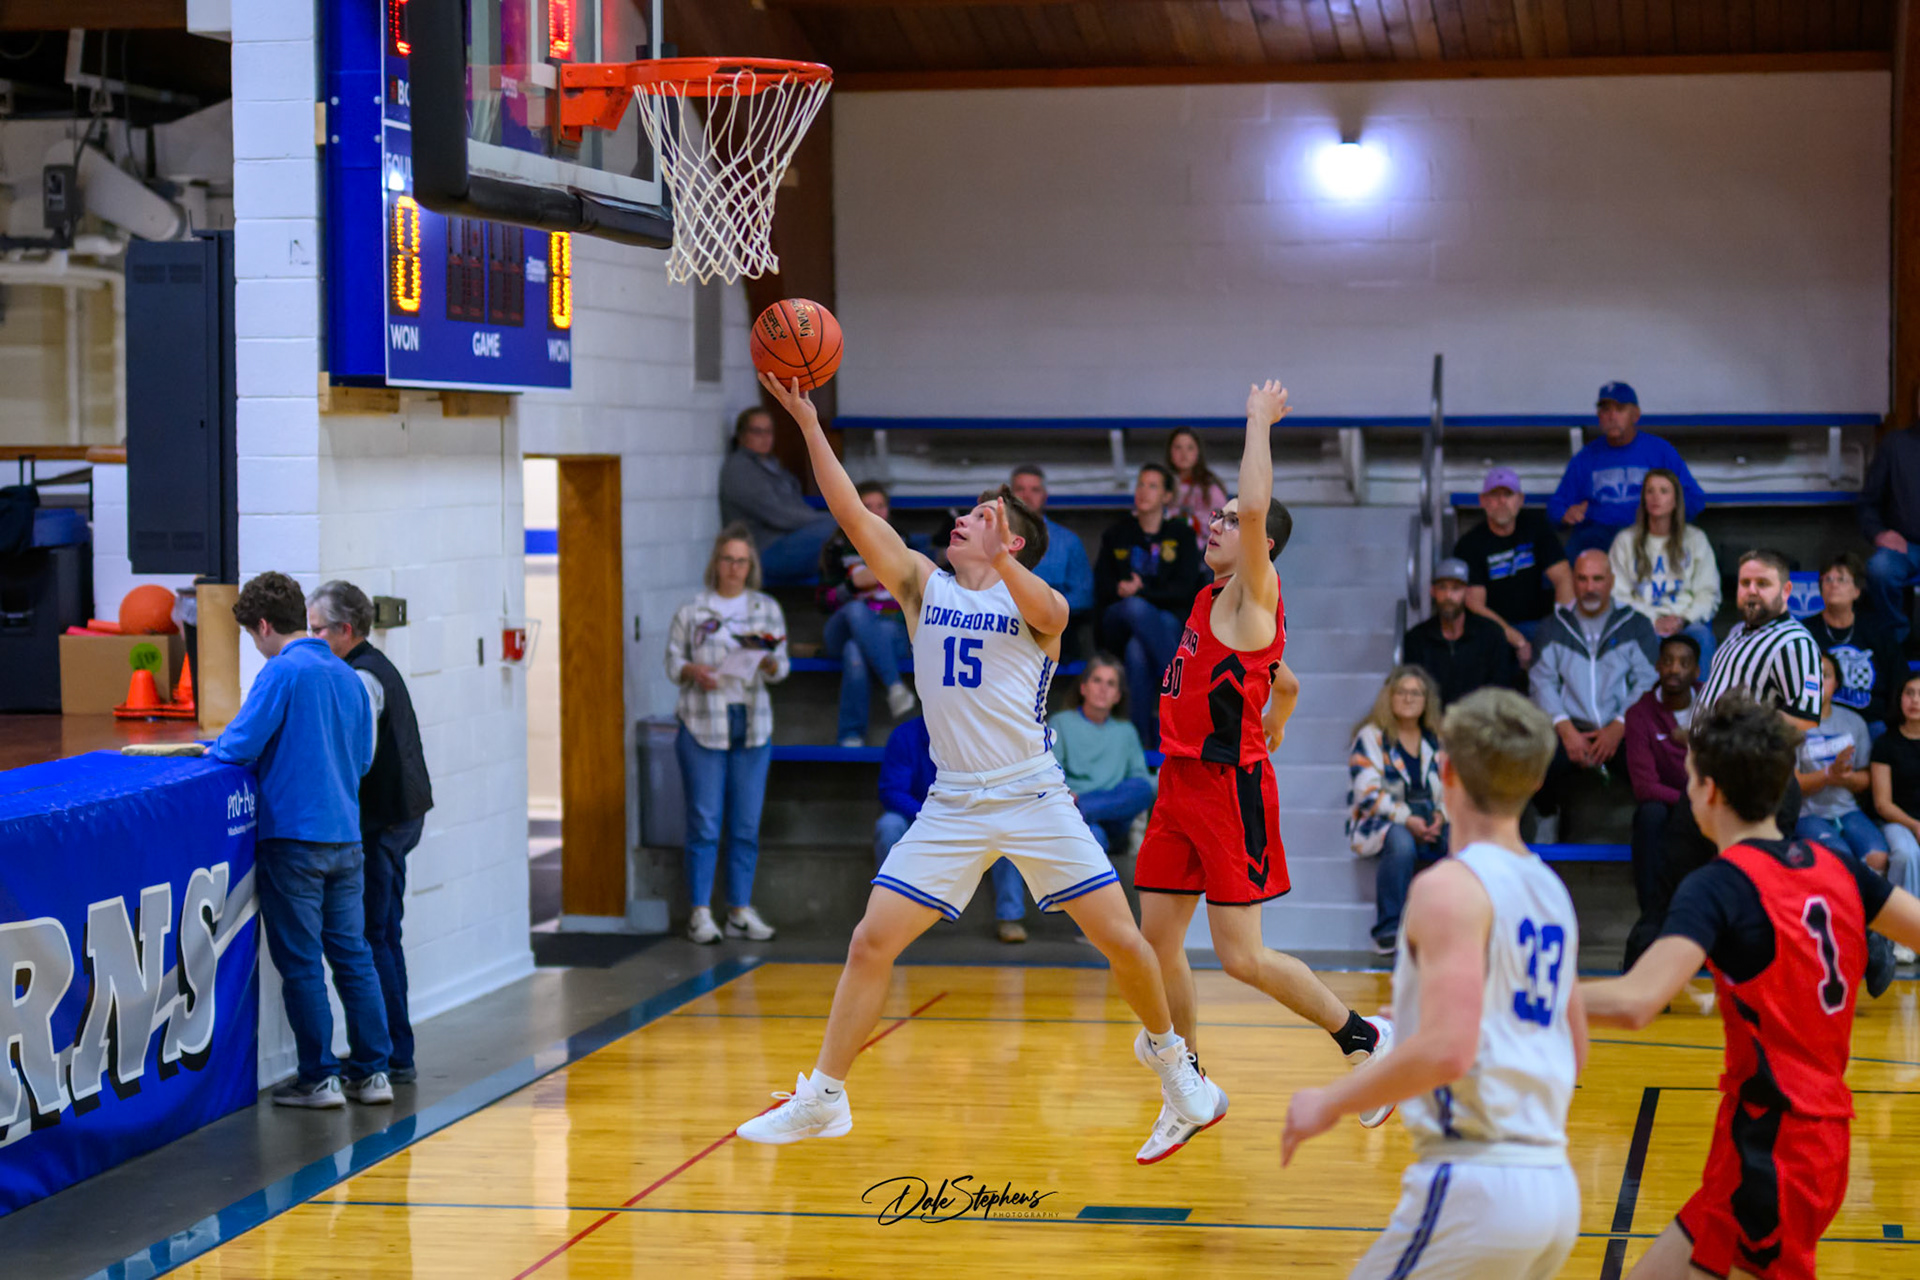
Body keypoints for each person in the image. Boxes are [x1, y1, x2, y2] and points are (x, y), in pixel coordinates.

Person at [737, 372, 1219, 1146]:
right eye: (967, 513)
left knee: (1125, 942)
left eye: (983, 516)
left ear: (1014, 542)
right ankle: (826, 1096)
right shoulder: (922, 585)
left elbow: (1053, 609)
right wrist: (806, 422)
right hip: (954, 801)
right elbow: (851, 512)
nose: (962, 520)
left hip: (1032, 794)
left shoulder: (1036, 606)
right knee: (869, 941)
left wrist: (1006, 557)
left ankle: (1174, 1066)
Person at [1134, 380, 1389, 1167]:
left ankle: (1364, 1040)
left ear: (1260, 543)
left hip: (1226, 790)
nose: (1217, 524)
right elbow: (1286, 678)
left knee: (1241, 958)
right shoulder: (1215, 601)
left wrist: (1256, 422)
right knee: (1155, 944)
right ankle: (1188, 1085)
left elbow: (1252, 507)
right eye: (1214, 518)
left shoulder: (1254, 591)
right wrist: (1278, 712)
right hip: (1178, 784)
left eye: (1230, 520)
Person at [1581, 693, 1920, 1280]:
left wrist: (1512, 994)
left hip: (1777, 1147)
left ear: (1709, 791)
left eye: (1689, 779)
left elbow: (1636, 1002)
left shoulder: (1719, 885)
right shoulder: (1836, 864)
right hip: (1779, 1137)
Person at [1284, 689, 1585, 1280]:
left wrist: (1329, 1102)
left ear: (1445, 770)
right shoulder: (1552, 891)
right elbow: (1573, 1047)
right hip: (1553, 1183)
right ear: (1533, 781)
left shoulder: (1449, 887)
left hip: (1476, 1186)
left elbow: (1449, 1049)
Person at [211, 572, 390, 1109]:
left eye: (252, 636)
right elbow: (363, 759)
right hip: (346, 838)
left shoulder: (281, 672)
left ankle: (319, 1078)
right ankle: (373, 1074)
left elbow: (238, 746)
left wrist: (209, 750)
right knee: (353, 957)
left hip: (293, 839)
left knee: (303, 963)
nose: (256, 646)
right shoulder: (348, 676)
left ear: (264, 625)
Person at [307, 579, 433, 1087]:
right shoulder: (373, 667)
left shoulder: (361, 679)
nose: (312, 640)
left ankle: (390, 1054)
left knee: (372, 937)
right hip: (400, 813)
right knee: (382, 935)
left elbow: (357, 753)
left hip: (385, 820)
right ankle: (393, 1049)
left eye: (317, 631)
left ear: (346, 629)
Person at [665, 525, 789, 945]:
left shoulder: (765, 609)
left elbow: (781, 666)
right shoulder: (693, 609)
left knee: (745, 825)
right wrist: (692, 670)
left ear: (750, 566)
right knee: (704, 822)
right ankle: (699, 912)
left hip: (751, 723)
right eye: (728, 559)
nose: (734, 568)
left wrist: (768, 661)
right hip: (704, 721)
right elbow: (672, 662)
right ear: (716, 563)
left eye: (742, 561)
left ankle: (739, 909)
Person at [1527, 549, 1658, 830]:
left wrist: (1619, 726)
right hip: (1568, 727)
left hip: (1624, 726)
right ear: (1573, 581)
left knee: (1652, 774)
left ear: (1611, 581)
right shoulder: (1552, 627)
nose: (1590, 587)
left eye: (1597, 579)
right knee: (1535, 760)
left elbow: (1647, 681)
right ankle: (1547, 820)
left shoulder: (1636, 625)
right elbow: (1541, 682)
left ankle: (1648, 832)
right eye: (1582, 579)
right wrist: (1566, 730)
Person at [876, 715, 1029, 944]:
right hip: (918, 816)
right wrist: (931, 817)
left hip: (967, 816)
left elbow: (995, 786)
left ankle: (1010, 917)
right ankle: (891, 918)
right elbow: (892, 792)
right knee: (889, 825)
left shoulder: (979, 735)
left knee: (1005, 825)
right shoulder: (905, 735)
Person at [1093, 463, 1205, 751]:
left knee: (1138, 650)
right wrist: (1122, 590)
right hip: (1118, 621)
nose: (1143, 491)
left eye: (1153, 486)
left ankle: (1141, 743)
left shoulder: (1181, 534)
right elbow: (1101, 586)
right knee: (1135, 608)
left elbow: (1186, 590)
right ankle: (1184, 692)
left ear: (1167, 496)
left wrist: (1143, 591)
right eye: (1140, 484)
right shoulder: (1116, 534)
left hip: (1163, 623)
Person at [1346, 665, 1448, 955]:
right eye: (1401, 692)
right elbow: (1366, 792)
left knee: (1461, 841)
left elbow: (1453, 785)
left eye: (1416, 693)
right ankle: (1388, 929)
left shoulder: (1437, 738)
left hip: (1429, 816)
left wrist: (1442, 815)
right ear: (1388, 697)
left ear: (1427, 700)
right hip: (1382, 819)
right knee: (1401, 842)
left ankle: (1448, 927)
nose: (1408, 698)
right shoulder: (1371, 736)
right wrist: (1407, 818)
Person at [1547, 382, 1706, 558]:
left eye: (1620, 409)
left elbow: (1695, 498)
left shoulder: (1660, 451)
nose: (1612, 416)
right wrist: (1566, 514)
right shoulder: (1585, 457)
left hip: (1646, 531)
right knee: (1570, 561)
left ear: (1635, 415)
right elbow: (1556, 506)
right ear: (1598, 416)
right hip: (1598, 535)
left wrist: (1665, 517)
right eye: (1605, 410)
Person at [818, 481, 917, 747]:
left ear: (888, 510)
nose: (875, 512)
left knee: (855, 650)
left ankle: (851, 735)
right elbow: (823, 602)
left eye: (880, 506)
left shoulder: (902, 543)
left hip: (890, 631)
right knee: (855, 609)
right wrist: (852, 585)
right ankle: (894, 685)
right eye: (867, 506)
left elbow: (916, 599)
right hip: (842, 628)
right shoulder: (837, 546)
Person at [1622, 634, 1699, 968]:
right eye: (1668, 661)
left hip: (1705, 805)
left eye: (1683, 663)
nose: (1674, 669)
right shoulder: (1640, 713)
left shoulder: (1712, 706)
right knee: (1649, 815)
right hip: (1672, 805)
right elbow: (1645, 786)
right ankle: (1652, 921)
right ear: (1657, 666)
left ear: (1696, 670)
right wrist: (1689, 801)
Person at [1452, 467, 1572, 665]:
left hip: (1538, 623)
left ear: (1520, 500)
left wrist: (1563, 628)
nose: (1502, 501)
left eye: (1508, 494)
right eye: (1494, 495)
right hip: (1493, 629)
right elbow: (1475, 605)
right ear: (1483, 501)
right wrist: (1515, 638)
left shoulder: (1537, 528)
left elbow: (1564, 578)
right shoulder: (1469, 545)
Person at [1607, 467, 1720, 670]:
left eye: (1664, 491)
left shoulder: (1695, 539)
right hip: (1642, 621)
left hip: (1685, 621)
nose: (1655, 497)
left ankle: (1703, 692)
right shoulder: (1625, 541)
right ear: (1643, 499)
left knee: (1703, 637)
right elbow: (1617, 595)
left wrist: (1683, 619)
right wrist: (1653, 619)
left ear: (1676, 500)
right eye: (1650, 491)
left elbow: (1708, 592)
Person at [719, 404, 839, 585]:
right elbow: (781, 516)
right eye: (757, 431)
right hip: (764, 550)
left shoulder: (771, 464)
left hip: (789, 540)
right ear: (741, 435)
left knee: (846, 531)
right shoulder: (740, 469)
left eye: (769, 431)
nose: (765, 437)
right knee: (841, 527)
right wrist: (833, 520)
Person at [1048, 654, 1155, 856]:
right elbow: (1051, 773)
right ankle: (1083, 811)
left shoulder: (1126, 731)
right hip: (1076, 817)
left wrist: (1091, 804)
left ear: (1117, 696)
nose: (1103, 688)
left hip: (1114, 816)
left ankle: (1085, 808)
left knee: (1143, 788)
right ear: (1083, 688)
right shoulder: (1061, 723)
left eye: (1111, 683)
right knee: (1093, 834)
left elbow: (1140, 782)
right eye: (1097, 680)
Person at [1793, 651, 1889, 874]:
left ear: (1836, 683)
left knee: (1878, 858)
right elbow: (1793, 786)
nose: (1818, 682)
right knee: (1840, 858)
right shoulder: (1791, 724)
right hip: (1806, 814)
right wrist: (1828, 774)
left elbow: (1866, 779)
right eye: (1811, 676)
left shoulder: (1854, 722)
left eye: (1825, 675)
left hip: (1847, 810)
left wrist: (1846, 777)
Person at [1802, 552, 1903, 734]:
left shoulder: (1878, 630)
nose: (1833, 584)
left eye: (1842, 579)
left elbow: (1898, 679)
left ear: (1857, 591)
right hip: (1819, 721)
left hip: (1871, 722)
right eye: (1828, 579)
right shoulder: (1804, 632)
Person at [1400, 557, 1521, 706]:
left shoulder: (1491, 634)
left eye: (1456, 588)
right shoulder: (1416, 639)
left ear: (1467, 593)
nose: (1448, 596)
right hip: (1434, 718)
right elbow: (1414, 692)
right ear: (1433, 591)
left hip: (1479, 717)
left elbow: (1500, 690)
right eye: (1442, 588)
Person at [1869, 670, 1920, 961]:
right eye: (1909, 693)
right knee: (1905, 853)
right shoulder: (1885, 744)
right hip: (1897, 820)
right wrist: (1915, 825)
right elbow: (1882, 803)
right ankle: (1904, 937)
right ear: (1899, 699)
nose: (1915, 701)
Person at [1858, 418, 1920, 641]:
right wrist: (1879, 533)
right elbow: (1867, 503)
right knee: (1880, 568)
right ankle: (1895, 640)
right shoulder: (1895, 444)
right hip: (1905, 547)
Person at [1008, 464, 1095, 618]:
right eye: (1020, 489)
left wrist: (1047, 609)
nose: (1026, 496)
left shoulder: (1068, 541)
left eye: (1035, 490)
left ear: (1045, 496)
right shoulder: (989, 538)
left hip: (1051, 622)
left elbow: (1083, 595)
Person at [1165, 426, 1229, 536]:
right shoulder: (1161, 485)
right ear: (1170, 452)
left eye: (1190, 448)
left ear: (1198, 453)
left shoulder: (1210, 489)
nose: (1184, 453)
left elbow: (1224, 525)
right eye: (1178, 447)